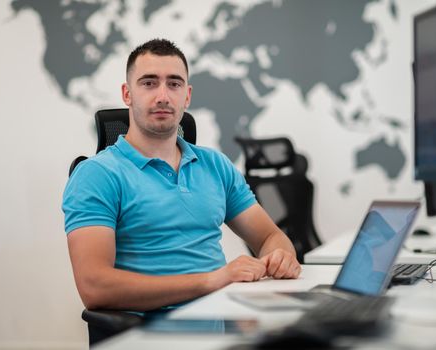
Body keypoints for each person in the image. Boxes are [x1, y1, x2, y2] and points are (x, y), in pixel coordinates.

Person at [62, 38, 301, 312]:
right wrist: (211, 281)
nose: (163, 96)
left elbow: (271, 237)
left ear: (186, 96)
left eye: (174, 84)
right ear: (127, 94)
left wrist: (279, 257)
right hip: (150, 336)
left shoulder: (215, 165)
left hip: (223, 324)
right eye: (149, 83)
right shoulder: (97, 175)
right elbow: (95, 287)